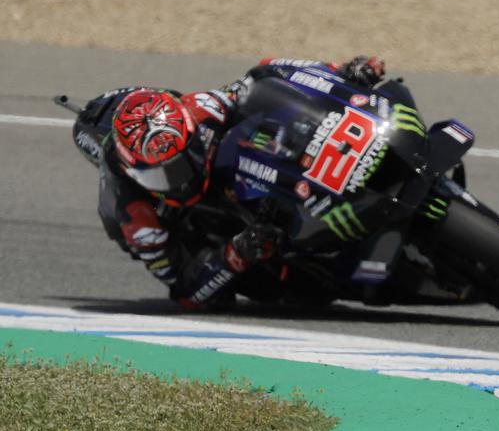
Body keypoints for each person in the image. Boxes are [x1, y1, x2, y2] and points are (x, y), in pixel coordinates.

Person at [74, 56, 388, 309]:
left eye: (182, 163)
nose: (178, 181)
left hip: (232, 175)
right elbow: (185, 291)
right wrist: (233, 255)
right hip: (207, 236)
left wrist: (341, 71)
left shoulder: (203, 108)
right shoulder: (140, 218)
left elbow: (267, 73)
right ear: (134, 173)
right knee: (283, 289)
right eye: (160, 175)